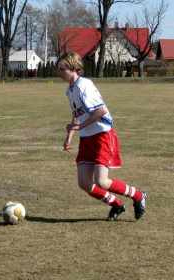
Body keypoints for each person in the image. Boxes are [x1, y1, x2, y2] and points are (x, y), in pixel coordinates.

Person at [58, 51, 147, 221]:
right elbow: (77, 113)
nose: (59, 72)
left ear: (74, 68)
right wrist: (70, 136)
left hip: (102, 135)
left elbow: (101, 111)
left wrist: (79, 127)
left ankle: (138, 195)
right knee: (84, 182)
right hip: (87, 138)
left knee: (102, 182)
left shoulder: (85, 86)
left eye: (62, 69)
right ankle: (117, 205)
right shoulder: (70, 90)